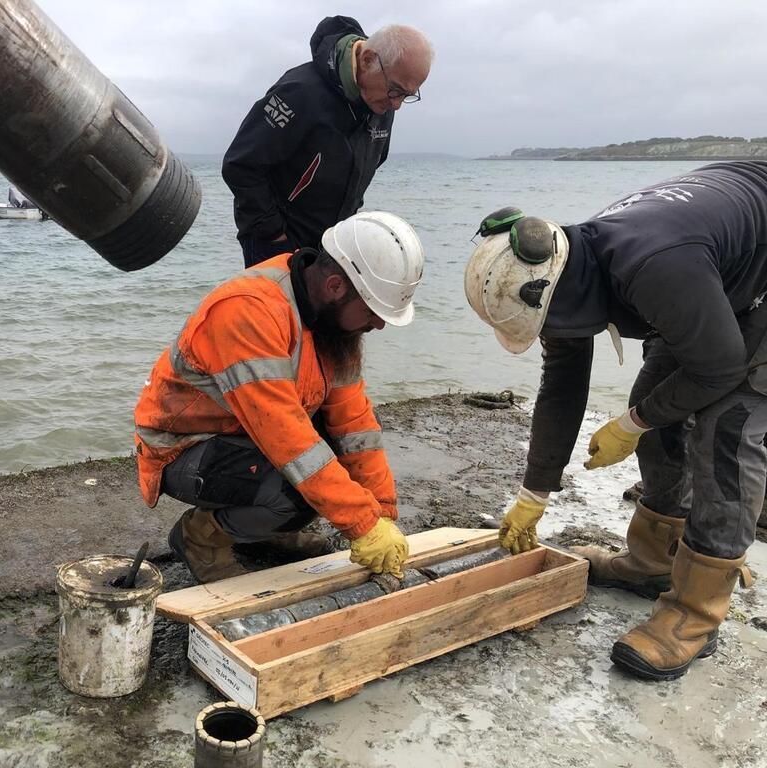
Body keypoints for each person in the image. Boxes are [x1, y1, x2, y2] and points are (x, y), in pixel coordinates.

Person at [463, 162, 766, 681]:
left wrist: (632, 423)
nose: (548, 336)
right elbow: (562, 386)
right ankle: (653, 563)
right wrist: (533, 493)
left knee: (726, 430)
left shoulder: (652, 266)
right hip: (714, 274)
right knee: (654, 399)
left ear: (553, 296)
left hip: (753, 285)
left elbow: (719, 368)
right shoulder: (566, 267)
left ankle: (696, 617)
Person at [134, 211, 425, 583]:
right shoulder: (249, 311)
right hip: (184, 447)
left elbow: (355, 425)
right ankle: (200, 537)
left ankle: (262, 532)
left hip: (243, 437)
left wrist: (382, 513)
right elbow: (286, 439)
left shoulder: (335, 326)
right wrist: (361, 524)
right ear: (336, 286)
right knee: (302, 489)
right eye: (373, 310)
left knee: (331, 473)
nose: (379, 324)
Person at [222, 16, 432, 268]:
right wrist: (274, 234)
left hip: (332, 245)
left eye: (408, 95)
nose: (397, 105)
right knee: (275, 308)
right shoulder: (300, 92)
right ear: (367, 60)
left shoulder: (381, 103)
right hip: (276, 242)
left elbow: (371, 164)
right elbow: (241, 165)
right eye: (396, 90)